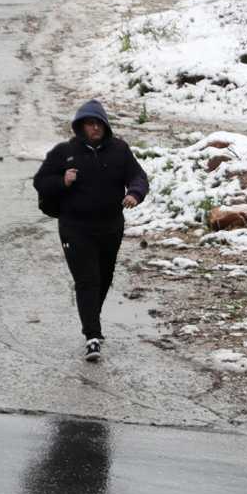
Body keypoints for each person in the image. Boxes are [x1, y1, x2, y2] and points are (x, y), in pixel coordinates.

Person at [30, 100, 148, 362]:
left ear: (105, 125)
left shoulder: (120, 150)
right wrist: (63, 180)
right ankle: (92, 336)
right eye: (89, 124)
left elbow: (139, 176)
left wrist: (135, 194)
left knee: (104, 278)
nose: (94, 128)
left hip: (110, 227)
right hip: (75, 229)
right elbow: (41, 182)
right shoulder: (65, 152)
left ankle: (92, 321)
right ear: (80, 127)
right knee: (87, 280)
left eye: (98, 123)